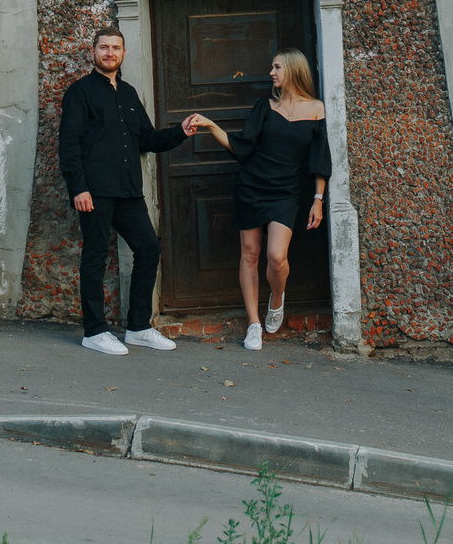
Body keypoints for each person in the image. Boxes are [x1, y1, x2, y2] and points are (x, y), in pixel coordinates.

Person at [181, 49, 329, 352]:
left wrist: (318, 199)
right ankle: (253, 324)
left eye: (276, 67)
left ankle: (277, 299)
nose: (271, 73)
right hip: (251, 187)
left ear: (293, 70)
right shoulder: (265, 107)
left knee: (276, 257)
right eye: (272, 67)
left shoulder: (316, 109)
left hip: (286, 192)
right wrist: (210, 125)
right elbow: (242, 146)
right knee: (249, 254)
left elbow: (319, 159)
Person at [58, 25, 187, 356]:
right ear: (94, 52)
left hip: (129, 190)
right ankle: (94, 330)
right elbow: (69, 144)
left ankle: (138, 327)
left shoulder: (128, 93)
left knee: (148, 248)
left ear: (124, 53)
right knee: (96, 256)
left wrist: (180, 132)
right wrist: (79, 188)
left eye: (116, 48)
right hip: (95, 191)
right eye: (104, 47)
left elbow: (147, 139)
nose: (110, 53)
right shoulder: (80, 92)